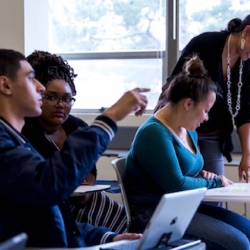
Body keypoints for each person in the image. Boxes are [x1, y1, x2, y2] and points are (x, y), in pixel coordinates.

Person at [0, 48, 149, 247]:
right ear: (5, 85)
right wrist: (111, 117)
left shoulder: (17, 140)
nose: (40, 87)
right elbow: (49, 184)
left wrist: (107, 237)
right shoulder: (4, 142)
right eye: (30, 78)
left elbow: (51, 223)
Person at [125, 55, 250, 250]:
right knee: (238, 243)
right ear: (188, 104)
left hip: (183, 206)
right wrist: (216, 180)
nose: (207, 118)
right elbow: (177, 185)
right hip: (154, 214)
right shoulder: (154, 133)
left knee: (248, 229)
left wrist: (201, 174)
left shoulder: (188, 128)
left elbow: (182, 174)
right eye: (206, 110)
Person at [21, 50, 127, 234]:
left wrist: (88, 184)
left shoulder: (77, 127)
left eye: (67, 99)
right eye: (51, 97)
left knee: (124, 224)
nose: (60, 104)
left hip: (87, 200)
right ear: (36, 95)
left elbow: (90, 166)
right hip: (50, 207)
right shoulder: (25, 133)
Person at [155, 15, 250, 181]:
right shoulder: (205, 44)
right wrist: (174, 134)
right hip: (183, 130)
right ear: (246, 32)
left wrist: (247, 154)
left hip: (214, 135)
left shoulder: (247, 63)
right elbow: (172, 89)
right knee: (183, 189)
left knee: (215, 191)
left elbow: (246, 111)